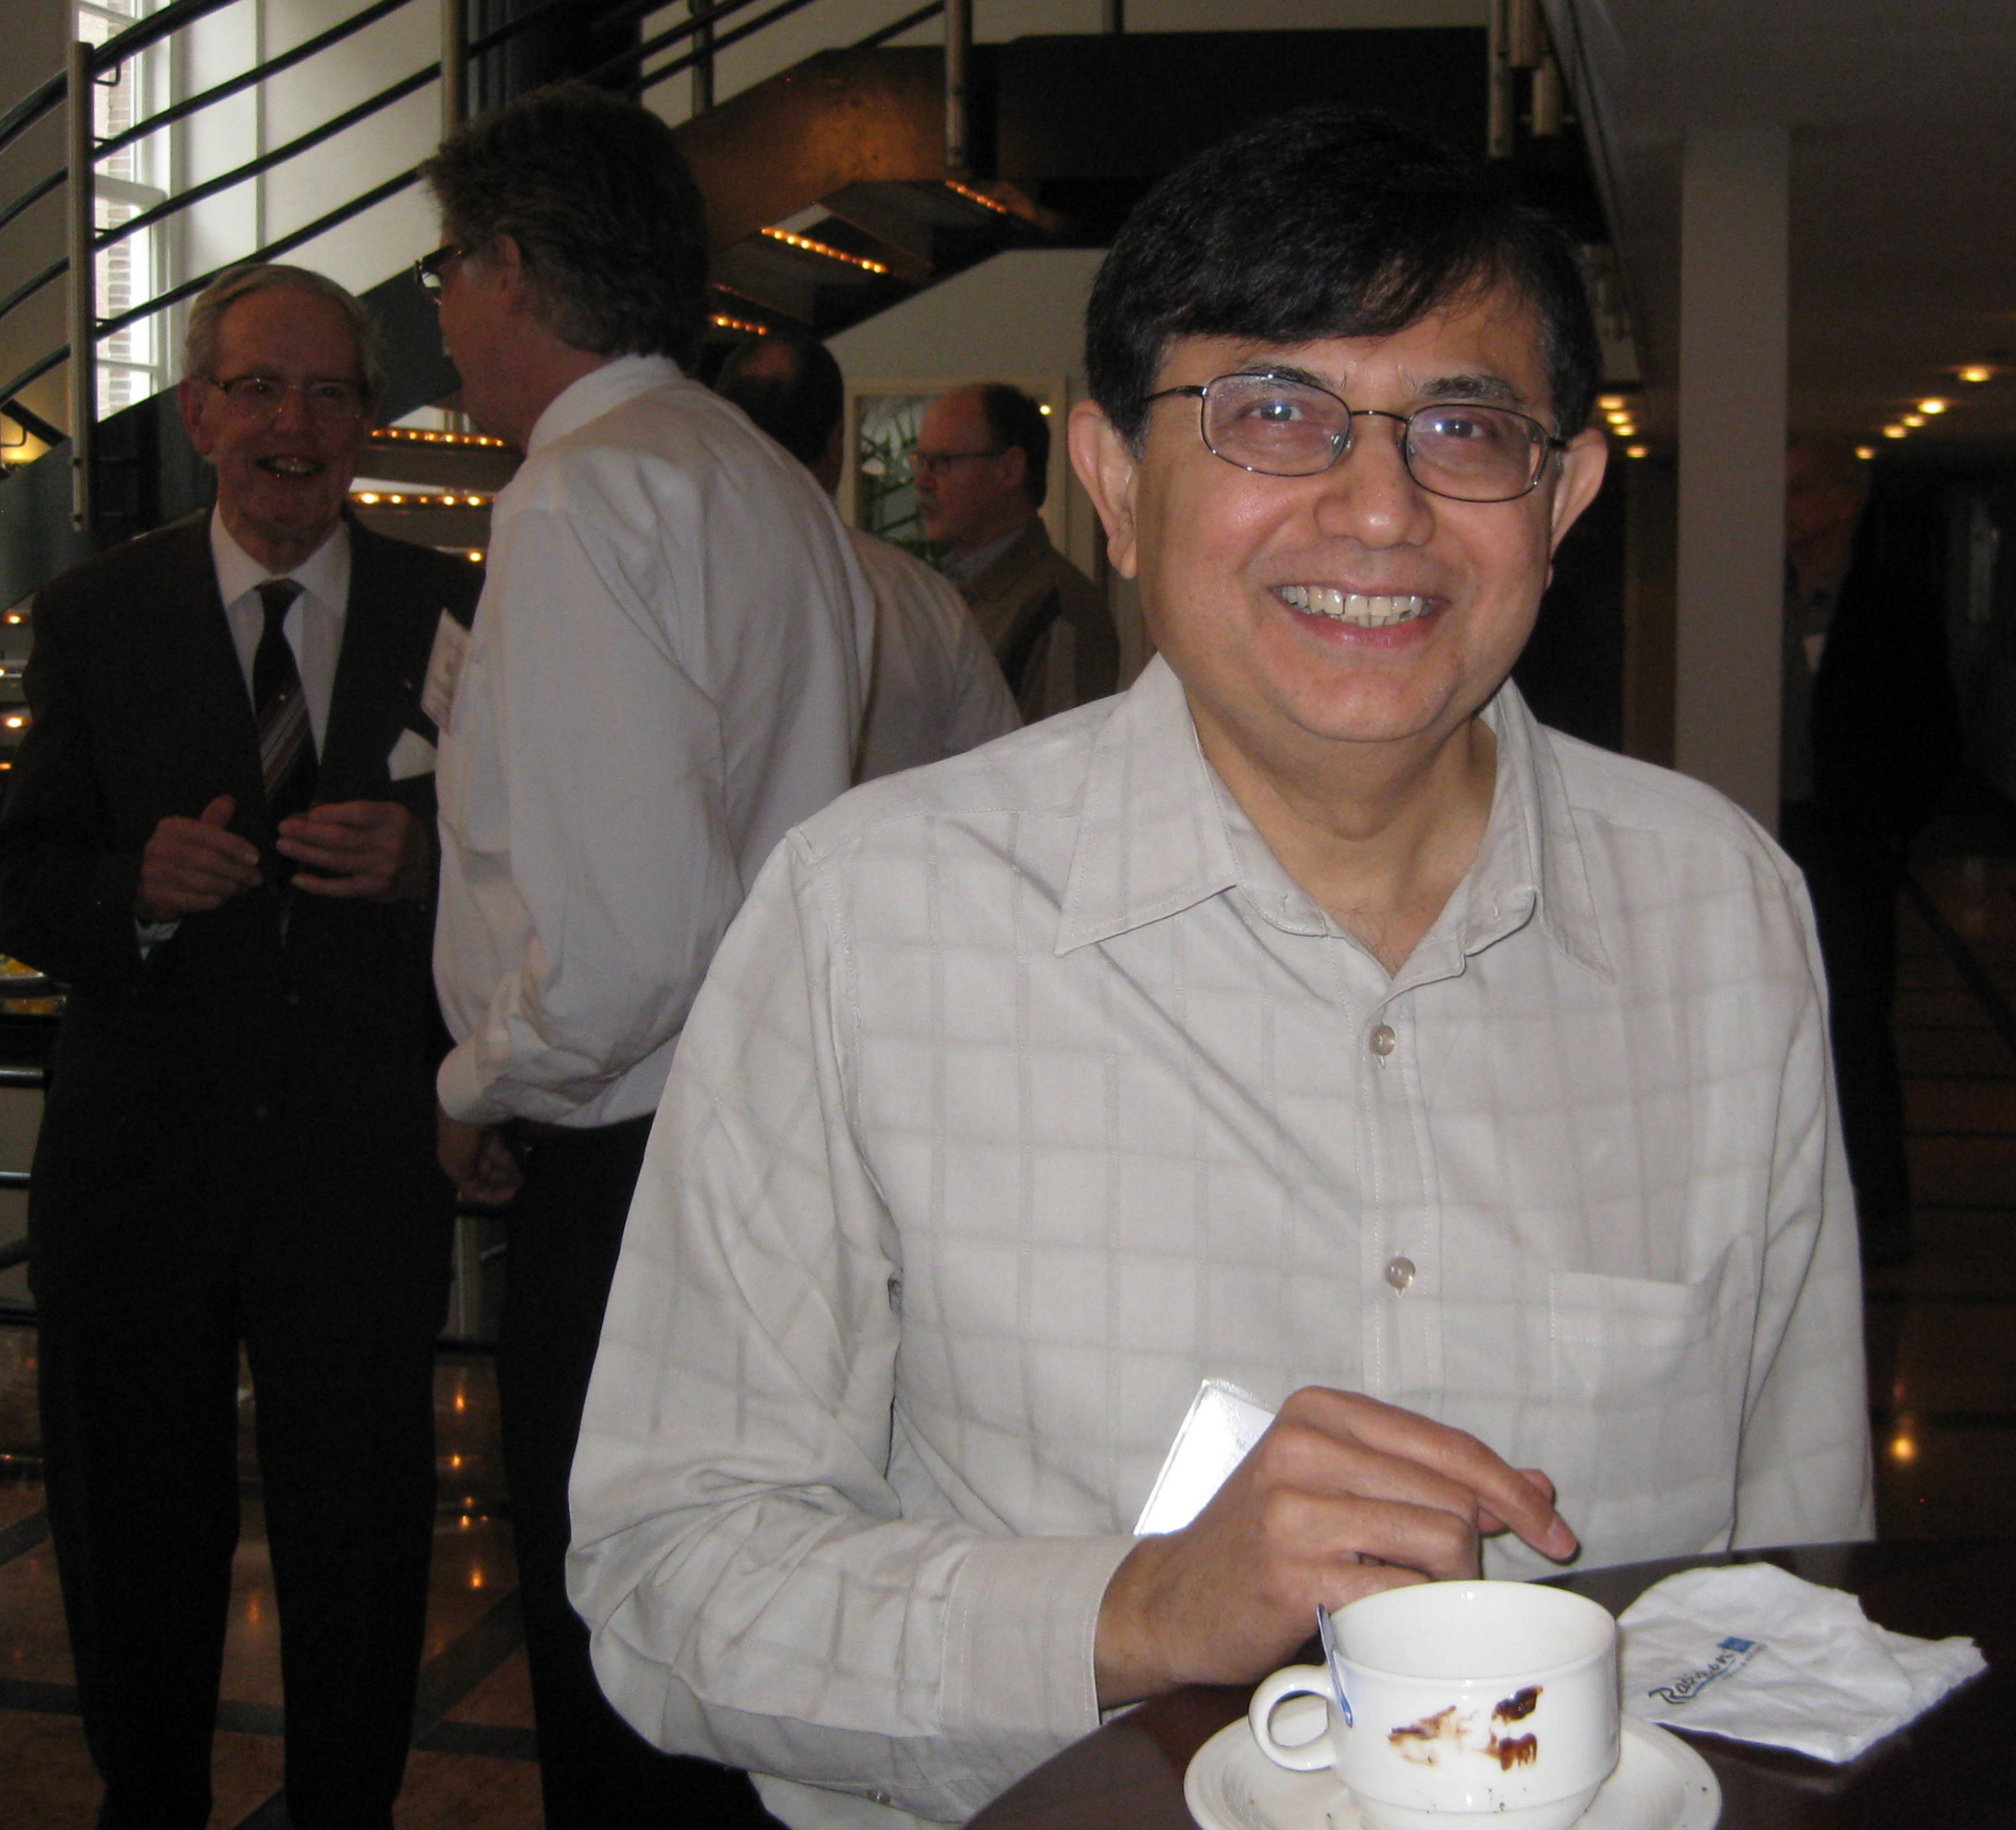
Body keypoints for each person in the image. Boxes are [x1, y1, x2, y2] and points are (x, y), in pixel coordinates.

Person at [568, 106, 1873, 1830]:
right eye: (1271, 411)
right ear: (1115, 483)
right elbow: (670, 1572)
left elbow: (1789, 1594)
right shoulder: (864, 925)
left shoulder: (1720, 916)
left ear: (1558, 498)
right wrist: (1133, 1610)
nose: (1379, 509)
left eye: (1462, 426)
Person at [418, 85, 872, 1828]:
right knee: (724, 1651)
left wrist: (479, 1078)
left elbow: (623, 943)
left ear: (513, 266)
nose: (441, 311)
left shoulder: (578, 496)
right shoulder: (753, 479)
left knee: (616, 1654)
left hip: (628, 1172)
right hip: (764, 1148)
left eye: (449, 267)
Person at [0, 264, 478, 1830]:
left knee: (362, 1533)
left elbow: (538, 861)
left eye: (330, 391)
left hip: (358, 1163)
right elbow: (23, 872)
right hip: (140, 1165)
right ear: (200, 410)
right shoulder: (96, 614)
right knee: (135, 1531)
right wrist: (130, 890)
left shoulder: (453, 608)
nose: (295, 423)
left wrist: (424, 865)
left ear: (370, 420)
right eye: (260, 388)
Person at [1779, 438, 1962, 1267]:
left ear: (1842, 502)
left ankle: (1878, 1210)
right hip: (1767, 829)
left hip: (1848, 848)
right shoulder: (1755, 594)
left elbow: (1934, 740)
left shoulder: (1894, 605)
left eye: (1798, 489)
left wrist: (1884, 838)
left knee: (1854, 1025)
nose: (1782, 507)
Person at [714, 334, 1020, 779]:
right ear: (837, 443)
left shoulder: (683, 578)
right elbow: (999, 774)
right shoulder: (923, 600)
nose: (924, 481)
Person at [914, 380, 1120, 720]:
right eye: (920, 460)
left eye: (943, 462)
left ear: (1009, 470)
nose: (922, 481)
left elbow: (1058, 747)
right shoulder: (937, 589)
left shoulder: (1059, 608)